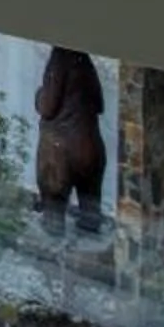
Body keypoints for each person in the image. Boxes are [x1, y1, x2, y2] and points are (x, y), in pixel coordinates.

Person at [34, 45, 106, 236]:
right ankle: (89, 253)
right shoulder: (85, 60)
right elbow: (99, 104)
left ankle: (51, 255)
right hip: (91, 147)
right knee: (90, 211)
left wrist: (39, 96)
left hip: (60, 151)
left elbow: (48, 107)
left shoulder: (59, 58)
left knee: (53, 209)